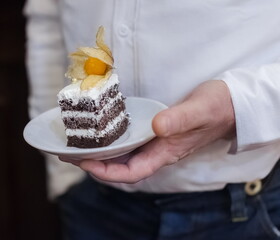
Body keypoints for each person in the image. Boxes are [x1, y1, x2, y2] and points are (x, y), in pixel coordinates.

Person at [24, 0, 280, 239]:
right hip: (92, 203)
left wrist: (239, 106)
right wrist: (63, 176)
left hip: (245, 210)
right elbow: (47, 15)